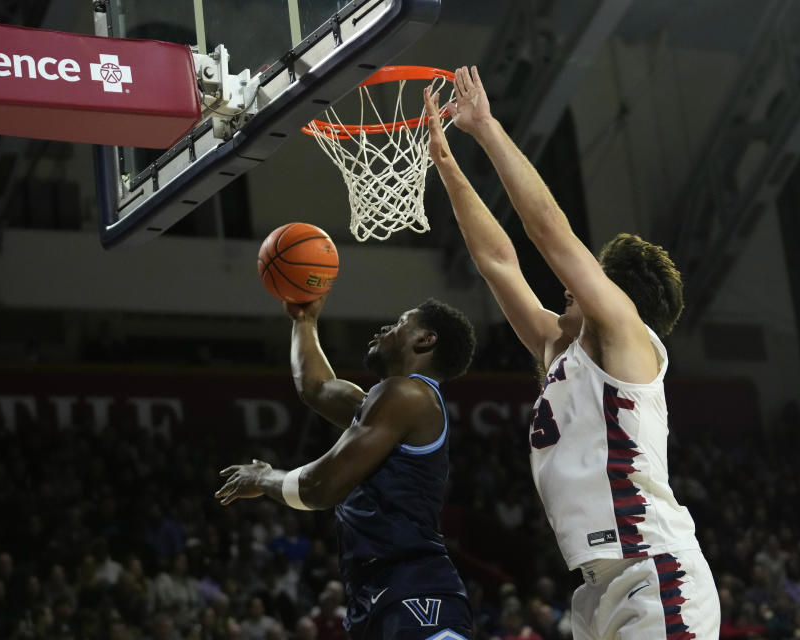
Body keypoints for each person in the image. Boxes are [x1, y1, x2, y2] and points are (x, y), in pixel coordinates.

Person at [424, 67, 719, 638]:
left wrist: (485, 129)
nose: (566, 288)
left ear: (615, 297)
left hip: (657, 574)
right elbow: (499, 263)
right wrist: (447, 165)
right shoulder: (559, 347)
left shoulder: (627, 340)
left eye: (587, 282)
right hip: (596, 587)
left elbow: (549, 232)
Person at [214, 294, 477, 640]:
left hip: (415, 589)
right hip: (374, 591)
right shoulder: (385, 404)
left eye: (401, 322)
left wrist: (265, 478)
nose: (387, 327)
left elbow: (320, 487)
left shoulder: (406, 396)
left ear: (425, 340)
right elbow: (316, 387)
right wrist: (304, 321)